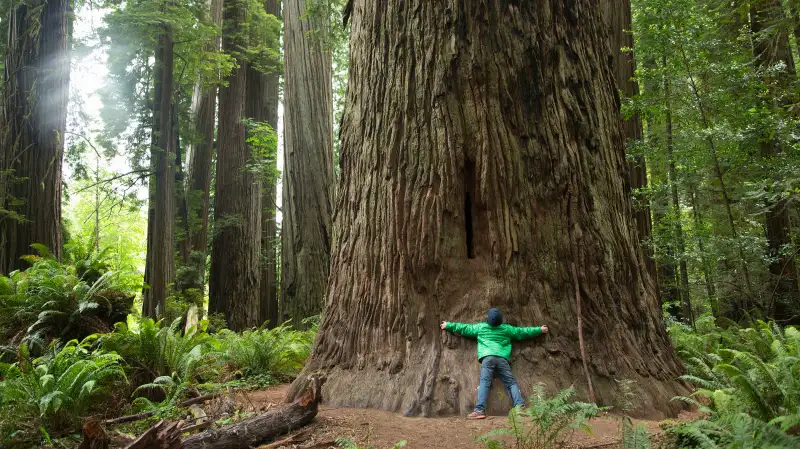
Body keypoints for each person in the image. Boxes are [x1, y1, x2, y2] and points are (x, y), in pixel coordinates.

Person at [440, 308, 548, 419]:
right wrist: (540, 329)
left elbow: (465, 328)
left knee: (484, 383)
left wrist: (448, 325)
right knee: (511, 383)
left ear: (488, 319)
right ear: (501, 320)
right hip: (502, 359)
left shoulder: (481, 328)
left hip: (487, 358)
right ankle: (519, 407)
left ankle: (480, 410)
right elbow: (523, 332)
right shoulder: (507, 329)